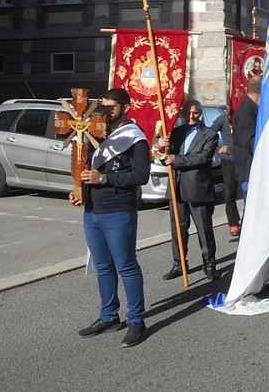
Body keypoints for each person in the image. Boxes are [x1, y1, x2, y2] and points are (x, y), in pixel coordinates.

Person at [71, 87, 149, 348]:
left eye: (111, 107)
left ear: (126, 107)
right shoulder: (93, 134)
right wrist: (79, 191)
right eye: (103, 106)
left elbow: (141, 176)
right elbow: (84, 171)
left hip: (119, 210)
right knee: (103, 267)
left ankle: (137, 321)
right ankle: (109, 316)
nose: (106, 112)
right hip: (92, 211)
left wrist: (104, 178)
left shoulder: (135, 137)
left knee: (126, 266)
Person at [160, 99, 220, 281]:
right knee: (178, 229)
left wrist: (176, 159)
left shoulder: (210, 134)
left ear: (200, 113)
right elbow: (164, 156)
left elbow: (202, 158)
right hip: (176, 188)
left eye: (194, 113)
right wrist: (162, 145)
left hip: (198, 189)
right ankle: (179, 264)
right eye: (187, 113)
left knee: (204, 230)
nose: (191, 116)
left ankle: (209, 265)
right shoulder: (176, 132)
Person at [209, 107, 240, 237]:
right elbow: (207, 135)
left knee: (249, 190)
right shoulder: (222, 119)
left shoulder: (243, 117)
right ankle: (233, 223)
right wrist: (217, 149)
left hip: (245, 159)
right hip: (229, 161)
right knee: (230, 193)